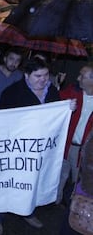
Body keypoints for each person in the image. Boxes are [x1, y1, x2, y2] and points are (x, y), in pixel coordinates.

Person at [0, 57, 61, 235]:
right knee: (8, 182)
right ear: (26, 75)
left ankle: (27, 211)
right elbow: (0, 121)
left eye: (46, 75)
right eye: (38, 76)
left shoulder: (52, 92)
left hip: (40, 149)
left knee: (32, 182)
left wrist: (67, 108)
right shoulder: (12, 92)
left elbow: (57, 116)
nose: (43, 80)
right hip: (16, 150)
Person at [58, 63, 93, 205]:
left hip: (85, 152)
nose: (78, 78)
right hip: (67, 145)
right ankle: (54, 201)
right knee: (60, 176)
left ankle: (75, 209)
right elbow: (54, 104)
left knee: (79, 181)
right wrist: (57, 86)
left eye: (82, 76)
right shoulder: (72, 92)